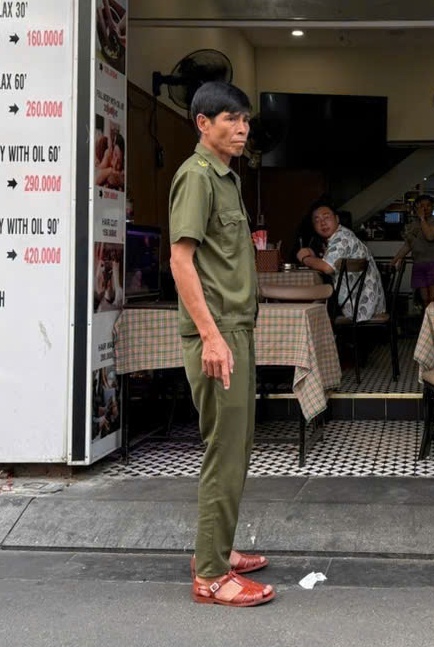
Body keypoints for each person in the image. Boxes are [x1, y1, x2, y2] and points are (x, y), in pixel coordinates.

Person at [168, 81, 275, 608]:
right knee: (224, 453)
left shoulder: (226, 179)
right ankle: (211, 575)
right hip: (218, 335)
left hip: (236, 331)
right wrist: (211, 336)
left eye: (246, 121)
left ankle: (219, 549)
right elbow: (180, 260)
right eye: (231, 119)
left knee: (238, 447)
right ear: (202, 123)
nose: (242, 129)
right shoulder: (197, 177)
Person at [296, 200, 386, 321]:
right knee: (320, 297)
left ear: (337, 219)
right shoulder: (342, 235)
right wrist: (314, 257)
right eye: (317, 220)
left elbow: (327, 267)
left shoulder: (342, 238)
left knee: (315, 302)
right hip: (369, 303)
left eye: (326, 217)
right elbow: (329, 263)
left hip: (358, 307)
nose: (322, 223)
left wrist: (304, 258)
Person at [392, 194, 434, 305]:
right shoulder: (413, 225)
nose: (425, 208)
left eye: (428, 205)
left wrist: (422, 219)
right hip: (419, 263)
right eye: (422, 206)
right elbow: (408, 246)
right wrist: (393, 261)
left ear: (433, 207)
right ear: (417, 208)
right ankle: (426, 319)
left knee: (433, 298)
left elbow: (430, 236)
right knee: (424, 299)